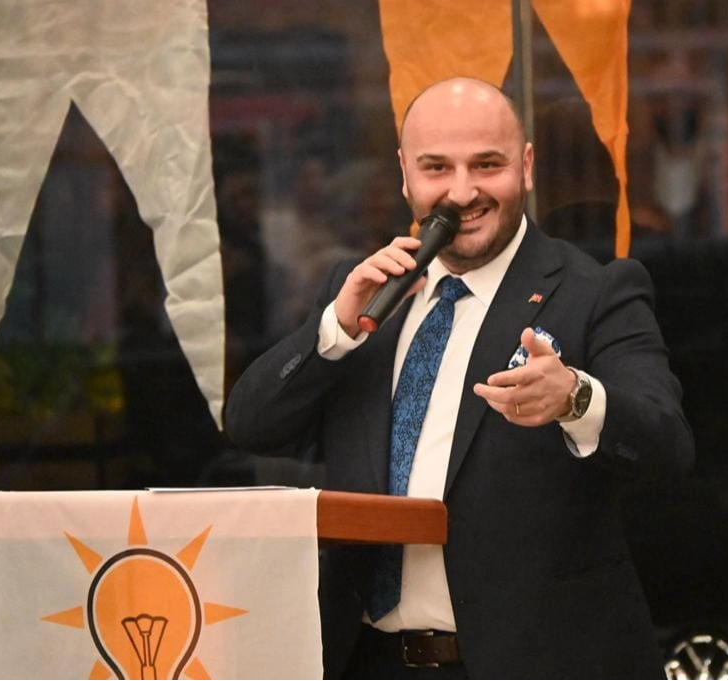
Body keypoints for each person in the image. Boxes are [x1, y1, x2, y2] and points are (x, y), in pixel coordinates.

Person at [225, 77, 694, 680]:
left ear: (526, 167)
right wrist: (335, 331)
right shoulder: (368, 292)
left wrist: (575, 399)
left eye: (487, 165)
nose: (462, 191)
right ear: (405, 174)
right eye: (437, 168)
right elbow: (251, 424)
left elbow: (667, 446)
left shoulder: (596, 291)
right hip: (369, 661)